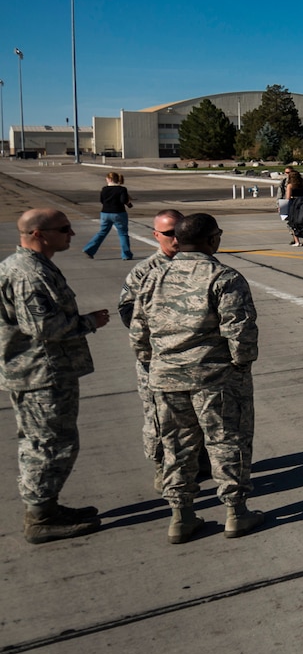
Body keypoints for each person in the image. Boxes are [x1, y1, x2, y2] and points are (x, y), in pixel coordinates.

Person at [130, 212, 262, 542]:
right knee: (227, 442)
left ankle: (181, 516)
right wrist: (241, 367)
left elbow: (138, 333)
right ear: (212, 240)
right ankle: (236, 512)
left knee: (176, 448)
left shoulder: (153, 277)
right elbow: (241, 333)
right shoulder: (224, 277)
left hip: (165, 379)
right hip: (214, 378)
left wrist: (154, 364)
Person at [3, 208, 110, 543]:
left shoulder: (32, 266)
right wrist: (90, 322)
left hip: (42, 369)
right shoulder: (28, 274)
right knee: (49, 444)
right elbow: (43, 326)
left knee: (46, 441)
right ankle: (40, 517)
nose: (71, 234)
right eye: (64, 229)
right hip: (41, 372)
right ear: (38, 233)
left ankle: (47, 506)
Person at [118, 208, 185, 485]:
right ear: (156, 235)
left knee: (193, 414)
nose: (176, 239)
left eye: (180, 232)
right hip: (157, 358)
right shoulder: (144, 271)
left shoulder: (196, 265)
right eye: (169, 234)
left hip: (191, 358)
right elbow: (126, 311)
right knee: (158, 417)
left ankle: (197, 460)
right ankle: (161, 465)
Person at [81, 170, 136, 260]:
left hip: (105, 213)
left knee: (102, 232)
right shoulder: (122, 189)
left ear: (109, 179)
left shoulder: (104, 189)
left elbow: (101, 201)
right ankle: (126, 255)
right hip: (118, 213)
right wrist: (129, 204)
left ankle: (89, 249)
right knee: (123, 234)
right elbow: (123, 201)